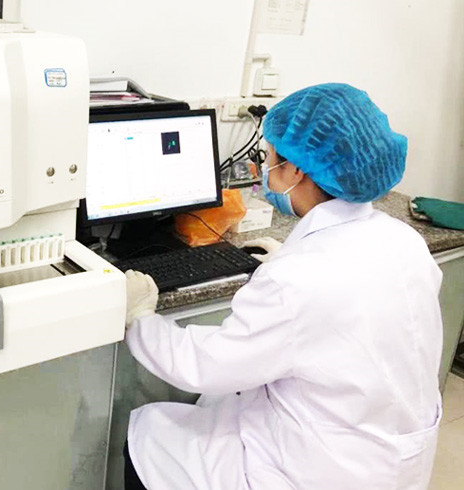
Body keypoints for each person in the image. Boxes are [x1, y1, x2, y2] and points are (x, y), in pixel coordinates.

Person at [122, 83, 443, 490]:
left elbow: (205, 366)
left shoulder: (299, 280)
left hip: (320, 470)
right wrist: (288, 261)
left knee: (151, 432)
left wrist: (141, 319)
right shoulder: (403, 240)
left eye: (269, 158)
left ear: (296, 170)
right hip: (392, 459)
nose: (265, 171)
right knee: (222, 409)